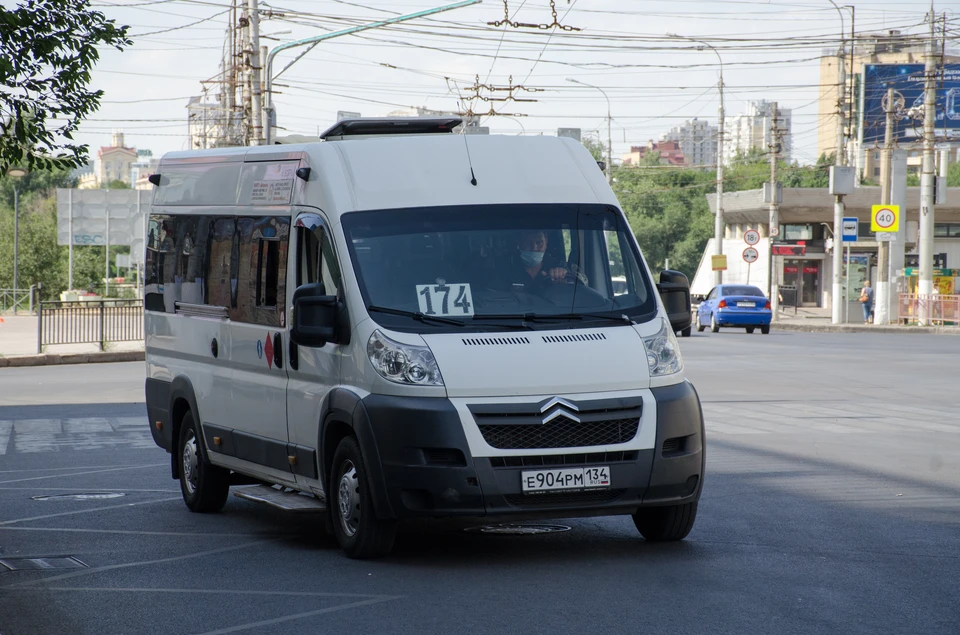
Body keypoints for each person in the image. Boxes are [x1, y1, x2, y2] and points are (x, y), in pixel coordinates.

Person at [499, 229, 571, 291]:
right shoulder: (505, 268)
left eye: (539, 242)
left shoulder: (558, 265)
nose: (534, 248)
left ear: (546, 242)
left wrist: (563, 280)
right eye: (528, 243)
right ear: (519, 243)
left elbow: (573, 291)